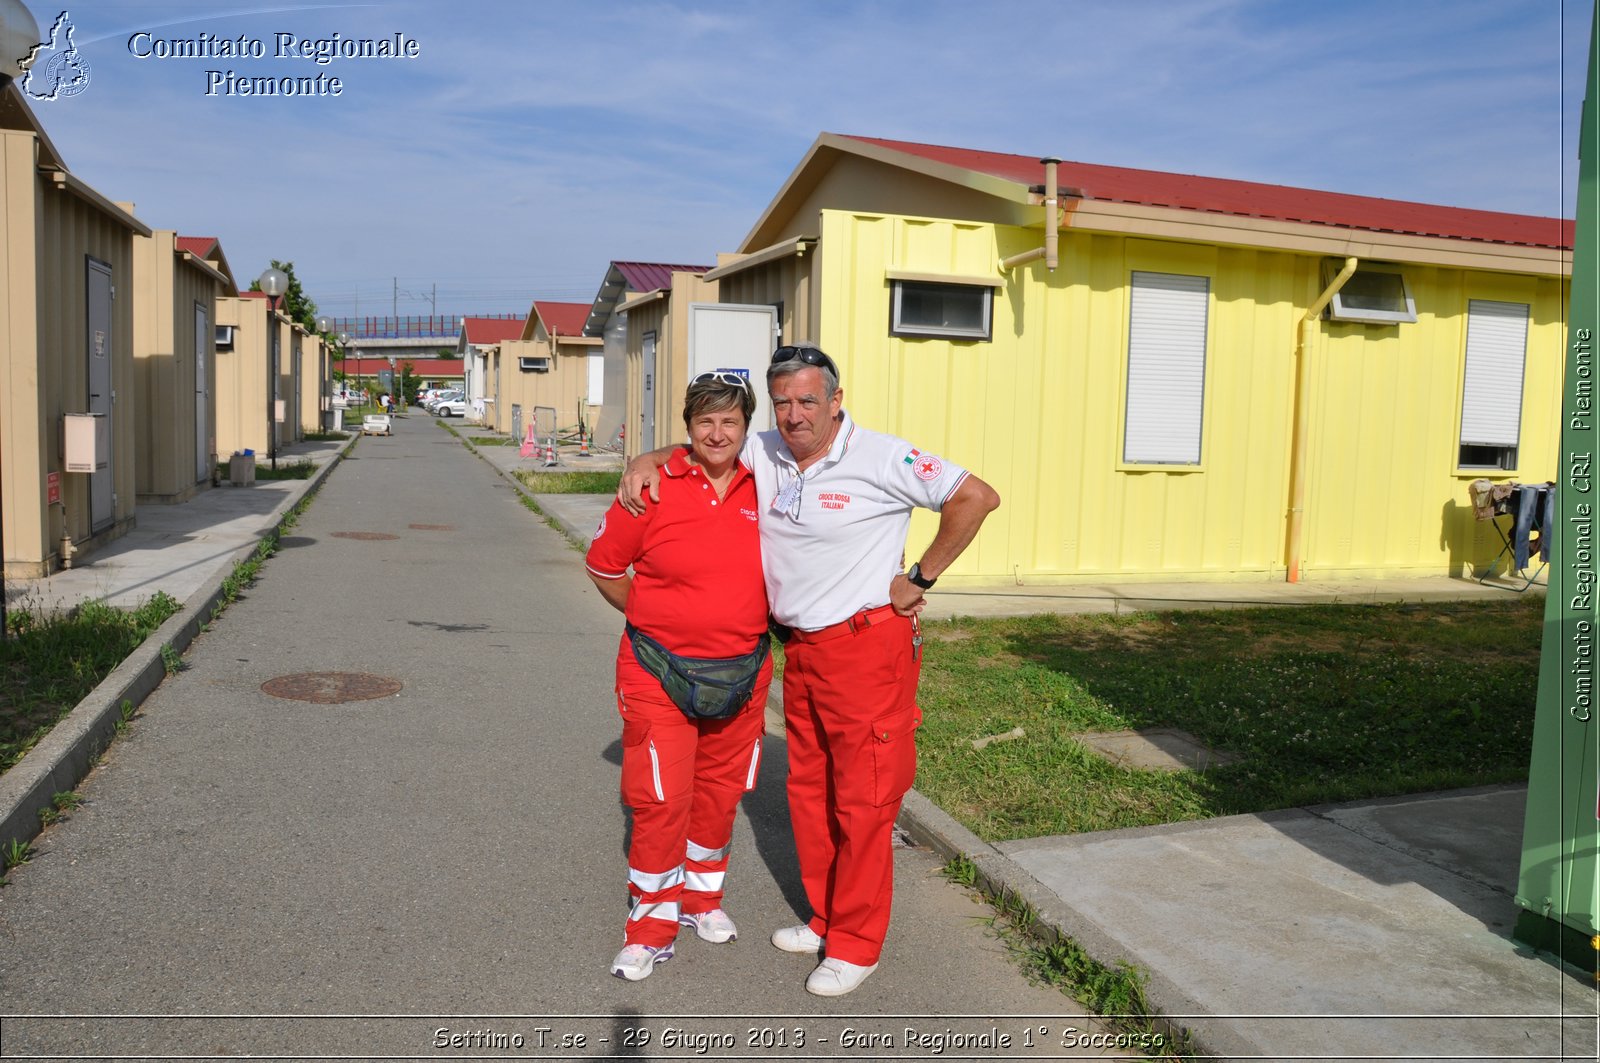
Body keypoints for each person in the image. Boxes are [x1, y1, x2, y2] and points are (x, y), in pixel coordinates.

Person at [620, 342, 1000, 996]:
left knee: (865, 798)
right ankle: (827, 918)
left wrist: (921, 575)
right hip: (801, 649)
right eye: (784, 401)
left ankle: (857, 944)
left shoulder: (882, 456)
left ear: (835, 400)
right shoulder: (766, 449)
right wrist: (642, 460)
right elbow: (700, 447)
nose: (795, 413)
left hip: (867, 646)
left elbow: (976, 496)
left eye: (808, 400)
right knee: (810, 792)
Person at [586, 372, 773, 982]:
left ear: (747, 426)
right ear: (687, 426)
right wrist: (653, 616)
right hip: (656, 670)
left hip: (744, 673)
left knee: (721, 795)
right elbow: (606, 566)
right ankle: (649, 928)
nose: (717, 434)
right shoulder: (652, 487)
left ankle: (701, 901)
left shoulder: (769, 482)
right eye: (704, 422)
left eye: (730, 422)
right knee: (661, 799)